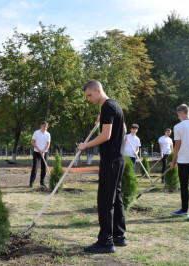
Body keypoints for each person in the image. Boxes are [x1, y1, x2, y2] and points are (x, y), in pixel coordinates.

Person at [77, 80, 127, 254]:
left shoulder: (107, 107)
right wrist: (105, 118)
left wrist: (86, 145)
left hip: (111, 160)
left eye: (90, 95)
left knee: (105, 200)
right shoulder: (115, 106)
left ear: (98, 90)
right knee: (116, 197)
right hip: (119, 159)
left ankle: (106, 241)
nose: (89, 99)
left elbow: (106, 135)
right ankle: (119, 235)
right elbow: (124, 129)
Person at [29, 121, 51, 188]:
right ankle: (31, 183)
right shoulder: (36, 132)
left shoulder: (48, 134)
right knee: (35, 167)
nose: (45, 128)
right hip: (36, 152)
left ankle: (42, 182)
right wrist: (39, 150)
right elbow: (32, 142)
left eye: (46, 127)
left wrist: (44, 152)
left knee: (44, 168)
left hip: (44, 152)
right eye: (44, 126)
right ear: (41, 126)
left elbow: (48, 144)